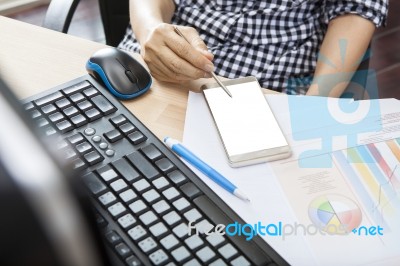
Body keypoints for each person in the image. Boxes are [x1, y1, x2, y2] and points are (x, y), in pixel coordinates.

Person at [118, 0, 388, 97]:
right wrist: (149, 29)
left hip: (263, 84)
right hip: (153, 57)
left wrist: (314, 106)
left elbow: (355, 11)